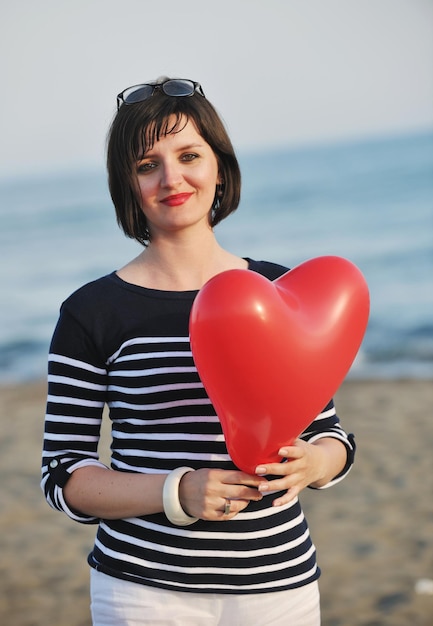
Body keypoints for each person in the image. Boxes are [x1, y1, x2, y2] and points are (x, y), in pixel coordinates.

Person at [41, 77, 356, 626]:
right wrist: (176, 491)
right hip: (142, 590)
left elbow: (331, 435)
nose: (172, 178)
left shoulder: (282, 290)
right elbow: (63, 476)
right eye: (147, 165)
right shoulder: (91, 312)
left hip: (280, 584)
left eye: (189, 155)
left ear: (218, 165)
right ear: (128, 184)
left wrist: (316, 463)